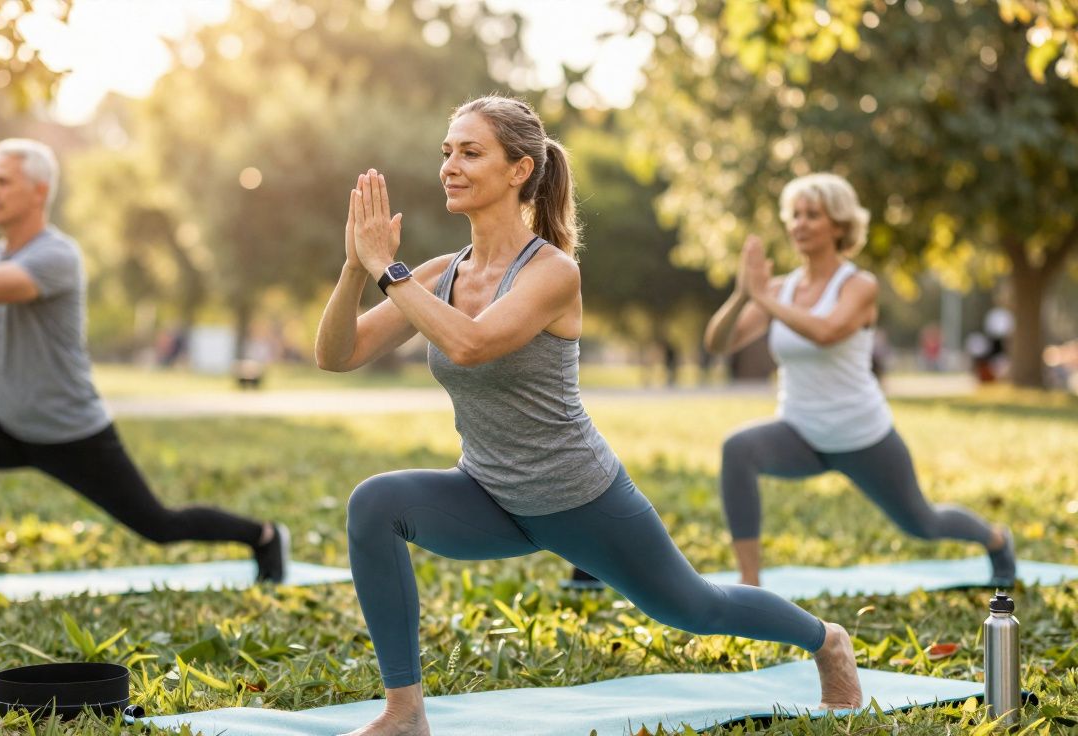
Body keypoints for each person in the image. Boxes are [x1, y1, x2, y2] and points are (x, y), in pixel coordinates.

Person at [315, 97, 862, 736]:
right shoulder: (437, 275)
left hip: (579, 496)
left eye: (470, 152)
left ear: (520, 170)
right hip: (488, 492)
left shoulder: (551, 272)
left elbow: (472, 343)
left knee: (693, 606)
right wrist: (357, 267)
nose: (450, 167)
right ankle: (405, 714)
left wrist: (388, 270)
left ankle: (827, 641)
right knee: (374, 504)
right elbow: (337, 354)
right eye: (447, 152)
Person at [0, 138, 288, 601]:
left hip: (70, 433)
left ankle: (264, 536)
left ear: (39, 190)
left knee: (159, 524)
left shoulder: (57, 256)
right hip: (6, 423)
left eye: (2, 181)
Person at [703, 172, 1014, 589]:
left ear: (840, 225)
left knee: (922, 522)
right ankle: (750, 585)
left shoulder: (859, 285)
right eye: (794, 215)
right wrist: (743, 294)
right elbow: (719, 342)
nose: (799, 223)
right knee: (737, 450)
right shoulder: (780, 290)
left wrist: (764, 299)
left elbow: (827, 331)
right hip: (800, 432)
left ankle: (996, 539)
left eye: (812, 214)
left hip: (860, 434)